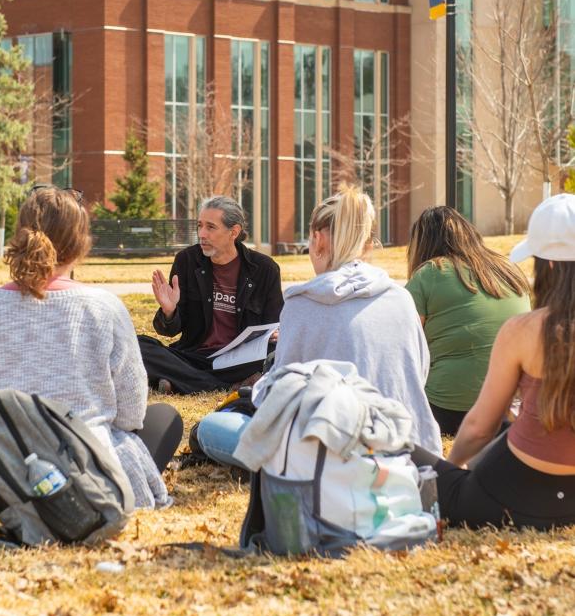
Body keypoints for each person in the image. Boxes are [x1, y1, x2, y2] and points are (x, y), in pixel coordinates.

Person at [0, 185, 183, 509]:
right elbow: (132, 413)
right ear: (80, 243)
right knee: (163, 419)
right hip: (87, 473)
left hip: (6, 471)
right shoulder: (104, 308)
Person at [198, 186, 443, 466]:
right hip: (408, 449)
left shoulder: (304, 303)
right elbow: (418, 373)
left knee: (211, 428)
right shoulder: (400, 297)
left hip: (328, 456)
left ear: (317, 238)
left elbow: (280, 398)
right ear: (366, 243)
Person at [412, 193, 575, 529]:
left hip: (514, 496)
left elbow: (477, 428)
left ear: (550, 264)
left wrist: (452, 472)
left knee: (402, 451)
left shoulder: (525, 331)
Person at [138, 195, 284, 395]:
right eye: (199, 226)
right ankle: (219, 385)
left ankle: (180, 380)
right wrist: (169, 311)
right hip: (193, 355)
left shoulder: (264, 269)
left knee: (275, 355)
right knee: (138, 345)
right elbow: (170, 331)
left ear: (234, 232)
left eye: (210, 227)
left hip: (239, 360)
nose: (202, 234)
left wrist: (277, 333)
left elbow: (274, 325)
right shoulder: (187, 261)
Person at [405, 206, 531, 435]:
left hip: (447, 409)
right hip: (506, 408)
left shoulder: (428, 274)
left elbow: (404, 346)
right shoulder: (509, 270)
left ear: (422, 243)